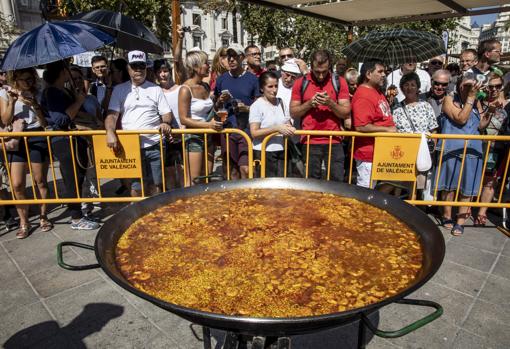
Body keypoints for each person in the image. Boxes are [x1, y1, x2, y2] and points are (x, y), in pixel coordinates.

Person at [41, 61, 100, 230]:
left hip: (74, 140)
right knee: (71, 179)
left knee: (79, 177)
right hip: (63, 141)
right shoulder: (51, 92)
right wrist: (79, 100)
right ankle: (75, 218)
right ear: (62, 72)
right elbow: (61, 120)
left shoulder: (63, 90)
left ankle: (80, 213)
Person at [105, 50, 173, 197]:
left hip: (155, 144)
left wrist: (165, 123)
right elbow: (111, 116)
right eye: (134, 66)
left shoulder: (155, 89)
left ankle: (158, 217)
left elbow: (166, 113)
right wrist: (110, 132)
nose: (138, 70)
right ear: (128, 68)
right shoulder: (119, 89)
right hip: (130, 145)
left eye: (141, 66)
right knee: (136, 186)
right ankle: (137, 216)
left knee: (157, 185)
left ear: (146, 68)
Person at [435, 74, 492, 236]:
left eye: (471, 86)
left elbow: (480, 125)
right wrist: (471, 98)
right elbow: (461, 119)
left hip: (472, 151)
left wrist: (490, 113)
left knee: (467, 188)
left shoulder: (477, 101)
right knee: (448, 187)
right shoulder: (449, 99)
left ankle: (460, 221)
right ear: (459, 85)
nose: (468, 89)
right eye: (466, 85)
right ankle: (447, 215)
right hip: (451, 149)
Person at [0, 68, 51, 238]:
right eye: (23, 79)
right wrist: (13, 102)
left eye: (30, 79)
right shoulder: (5, 94)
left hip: (37, 135)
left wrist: (35, 105)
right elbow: (5, 120)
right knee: (17, 184)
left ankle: (43, 216)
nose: (28, 82)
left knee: (40, 180)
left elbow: (44, 123)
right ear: (16, 80)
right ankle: (24, 221)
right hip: (16, 139)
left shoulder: (40, 93)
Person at [290, 49, 351, 182]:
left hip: (334, 140)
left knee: (337, 182)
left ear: (329, 66)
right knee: (313, 184)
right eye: (317, 72)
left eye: (325, 71)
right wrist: (309, 104)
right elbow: (293, 112)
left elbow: (345, 111)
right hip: (310, 140)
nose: (321, 76)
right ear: (311, 66)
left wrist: (330, 103)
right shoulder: (301, 82)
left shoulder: (339, 81)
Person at [214, 44, 260, 179]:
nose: (231, 59)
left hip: (246, 131)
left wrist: (246, 108)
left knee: (245, 169)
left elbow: (260, 107)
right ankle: (233, 200)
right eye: (229, 56)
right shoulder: (221, 79)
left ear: (242, 58)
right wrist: (220, 101)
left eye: (234, 56)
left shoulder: (252, 79)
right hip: (228, 130)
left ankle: (247, 199)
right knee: (231, 170)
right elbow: (216, 107)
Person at [177, 51, 220, 186]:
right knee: (194, 181)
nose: (209, 66)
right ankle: (189, 206)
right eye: (206, 63)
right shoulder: (185, 89)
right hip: (194, 137)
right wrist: (208, 125)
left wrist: (219, 103)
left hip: (209, 136)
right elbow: (183, 119)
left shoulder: (205, 86)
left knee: (206, 177)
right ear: (196, 67)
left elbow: (209, 110)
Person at [352, 60, 396, 188]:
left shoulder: (376, 91)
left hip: (381, 151)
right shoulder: (363, 95)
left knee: (387, 187)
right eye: (380, 71)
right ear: (368, 74)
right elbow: (361, 126)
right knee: (366, 193)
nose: (384, 75)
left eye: (385, 72)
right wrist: (387, 130)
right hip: (369, 154)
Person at [392, 72, 438, 193]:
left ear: (418, 87)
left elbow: (433, 129)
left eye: (413, 85)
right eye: (406, 85)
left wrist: (432, 148)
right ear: (402, 88)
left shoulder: (426, 106)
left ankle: (416, 205)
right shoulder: (396, 108)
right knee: (399, 183)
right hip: (403, 151)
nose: (409, 88)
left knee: (420, 183)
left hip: (422, 151)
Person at [475, 73, 509, 226]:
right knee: (475, 178)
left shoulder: (508, 104)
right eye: (491, 86)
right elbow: (480, 126)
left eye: (497, 86)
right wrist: (489, 111)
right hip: (479, 146)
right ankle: (469, 207)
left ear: (502, 87)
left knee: (490, 181)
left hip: (498, 148)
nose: (494, 90)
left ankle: (482, 213)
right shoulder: (480, 102)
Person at [250, 71, 295, 177]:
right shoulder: (256, 106)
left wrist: (289, 129)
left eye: (276, 86)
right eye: (270, 86)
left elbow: (287, 123)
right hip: (263, 151)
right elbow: (254, 132)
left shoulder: (281, 102)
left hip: (282, 150)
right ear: (262, 88)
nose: (274, 90)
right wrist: (276, 128)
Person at [154, 59, 184, 189]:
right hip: (165, 136)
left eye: (165, 71)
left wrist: (182, 130)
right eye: (159, 72)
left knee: (183, 170)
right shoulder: (155, 91)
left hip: (181, 133)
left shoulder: (180, 89)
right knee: (169, 171)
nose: (162, 74)